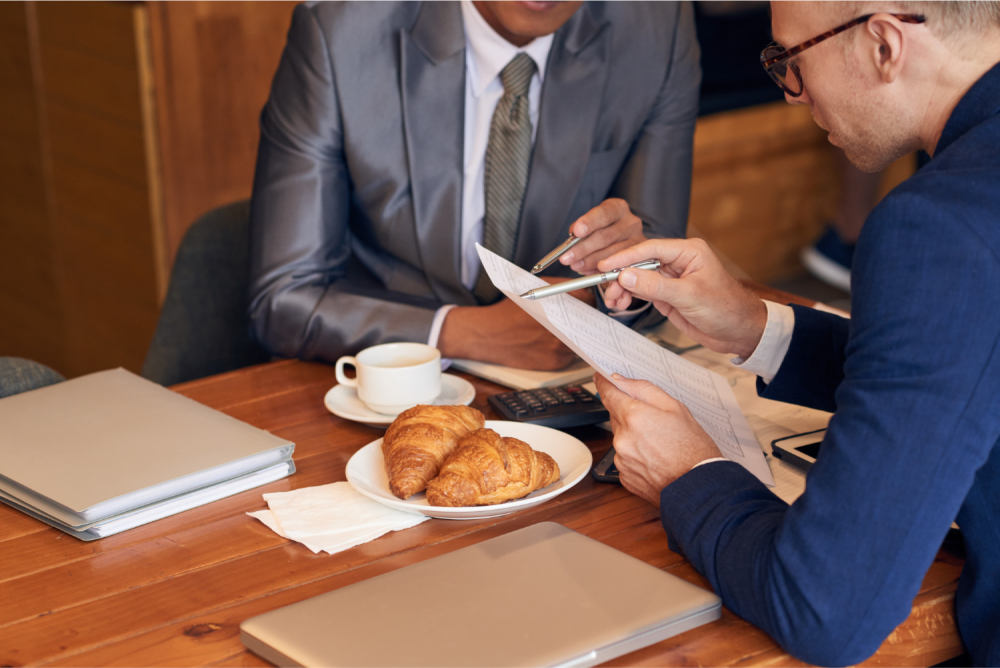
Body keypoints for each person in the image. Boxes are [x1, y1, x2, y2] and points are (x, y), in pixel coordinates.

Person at [582, 0, 1000, 664]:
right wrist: (758, 326)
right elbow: (968, 361)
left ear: (885, 46)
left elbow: (826, 608)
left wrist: (686, 473)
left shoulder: (938, 228)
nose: (790, 96)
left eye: (790, 61)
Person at [246, 0, 700, 371]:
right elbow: (283, 298)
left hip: (560, 390)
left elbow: (657, 252)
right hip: (374, 384)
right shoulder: (339, 32)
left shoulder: (657, 27)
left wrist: (619, 292)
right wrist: (461, 332)